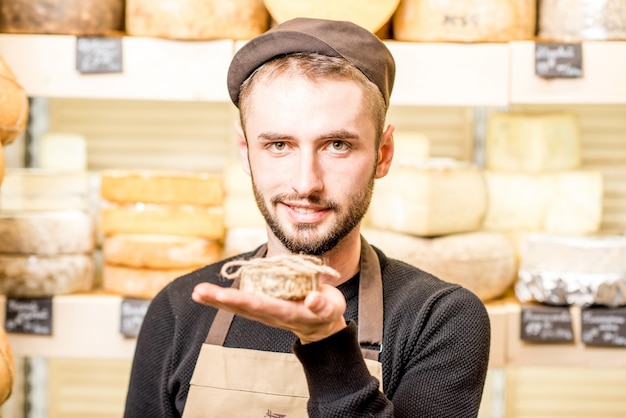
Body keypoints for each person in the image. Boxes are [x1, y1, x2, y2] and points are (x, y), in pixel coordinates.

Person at [123, 17, 490, 418]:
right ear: (246, 152)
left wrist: (327, 342)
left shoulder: (439, 318)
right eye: (279, 145)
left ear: (383, 154)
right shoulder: (180, 309)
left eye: (337, 145)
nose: (305, 183)